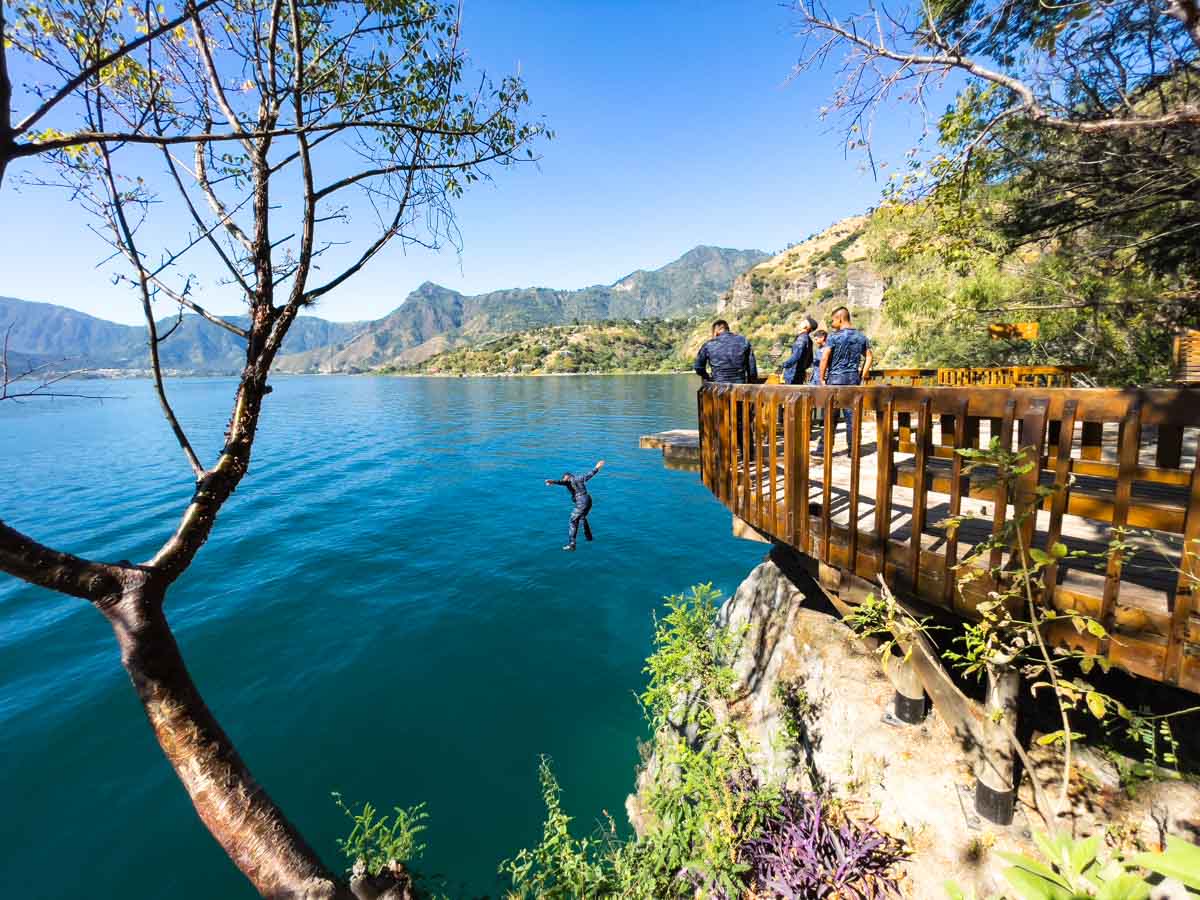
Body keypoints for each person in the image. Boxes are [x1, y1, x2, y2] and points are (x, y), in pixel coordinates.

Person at [815, 308, 873, 454]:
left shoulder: (833, 338)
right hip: (853, 380)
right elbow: (869, 357)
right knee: (852, 418)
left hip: (835, 380)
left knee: (830, 417)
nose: (832, 323)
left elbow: (825, 358)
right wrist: (861, 374)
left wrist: (821, 378)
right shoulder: (861, 337)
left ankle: (823, 450)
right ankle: (853, 450)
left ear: (840, 319)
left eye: (833, 320)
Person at [545, 460, 605, 551]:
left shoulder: (569, 480)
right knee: (581, 517)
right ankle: (589, 537)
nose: (565, 481)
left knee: (572, 520)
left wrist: (553, 481)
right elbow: (589, 475)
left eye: (565, 478)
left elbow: (562, 482)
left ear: (568, 477)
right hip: (588, 500)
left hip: (581, 502)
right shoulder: (580, 478)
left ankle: (572, 544)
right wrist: (597, 467)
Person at [694, 319, 758, 384]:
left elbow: (698, 367)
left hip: (718, 388)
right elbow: (752, 370)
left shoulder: (708, 345)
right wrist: (750, 386)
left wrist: (707, 377)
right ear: (727, 329)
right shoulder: (743, 341)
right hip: (739, 387)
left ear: (715, 332)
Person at [780, 316, 818, 385]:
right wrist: (802, 368)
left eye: (804, 322)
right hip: (800, 374)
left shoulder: (801, 339)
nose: (801, 322)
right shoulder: (809, 340)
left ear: (806, 326)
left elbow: (796, 356)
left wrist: (784, 365)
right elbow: (810, 360)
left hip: (792, 375)